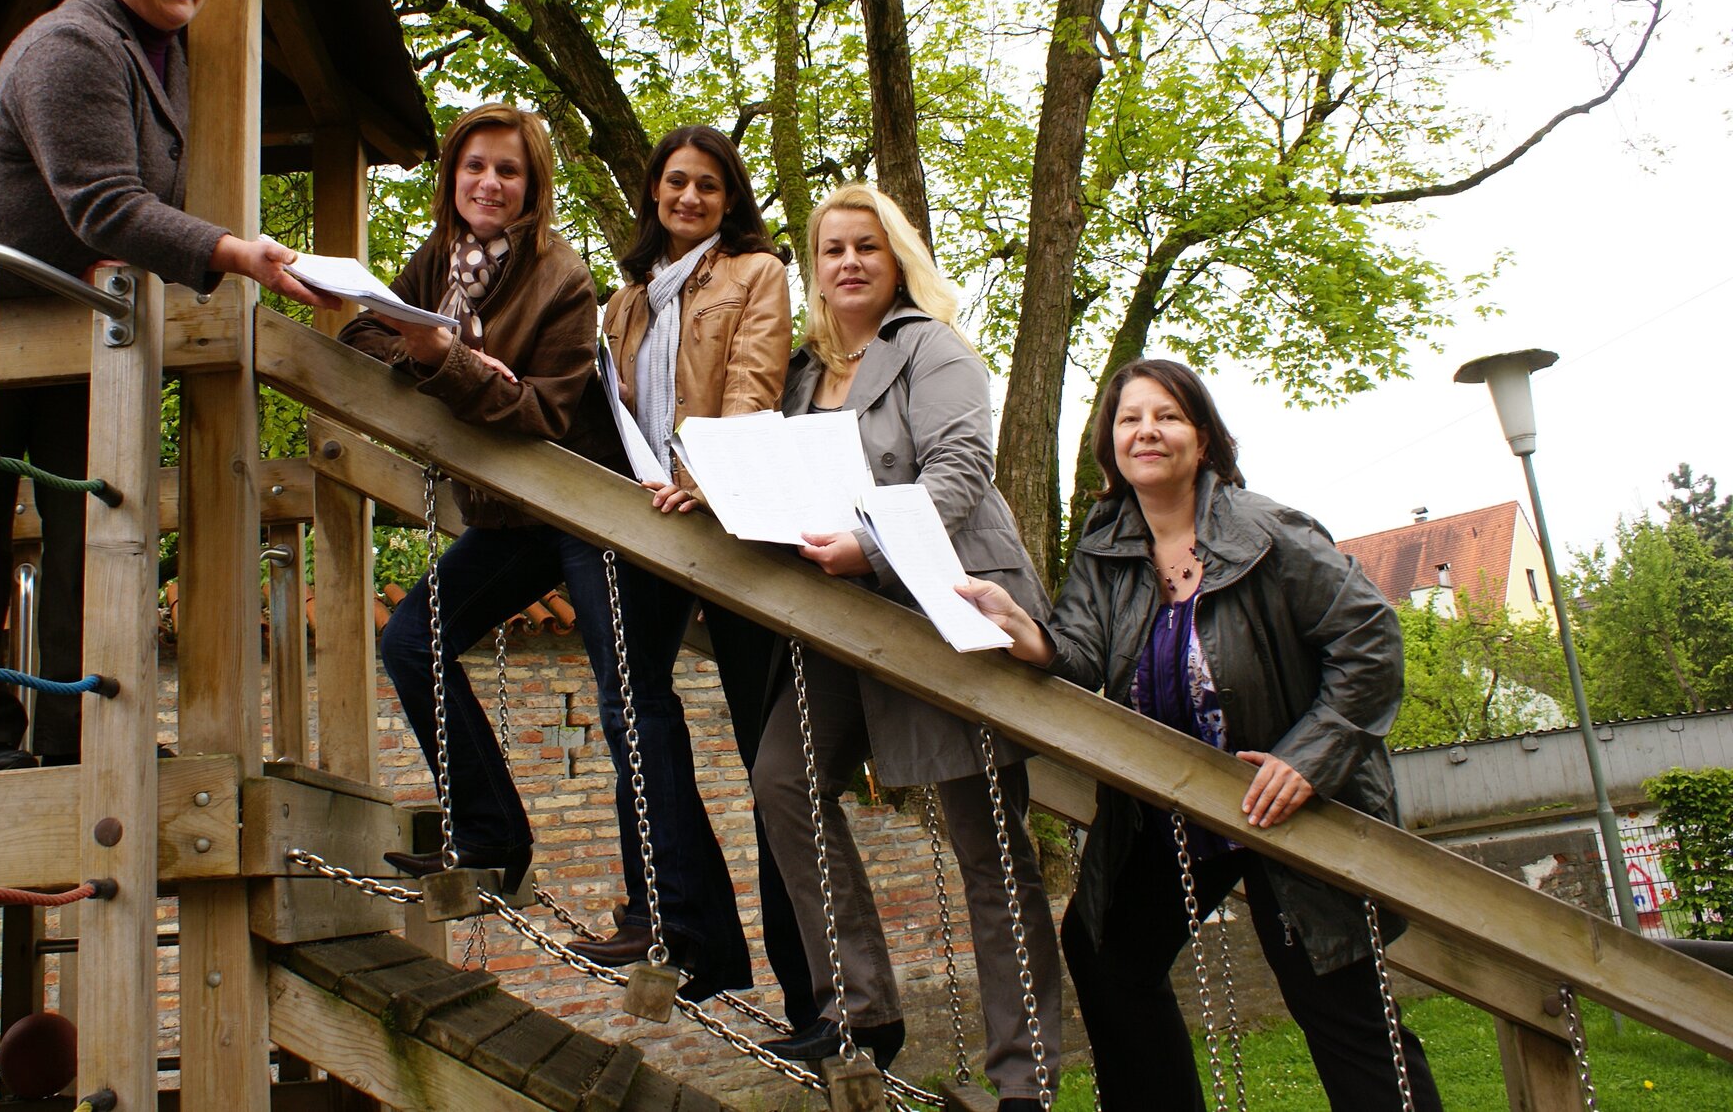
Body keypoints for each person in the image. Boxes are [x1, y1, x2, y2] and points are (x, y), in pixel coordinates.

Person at [0, 0, 334, 773]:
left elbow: (107, 215)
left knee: (86, 521)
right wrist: (232, 253)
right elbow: (103, 203)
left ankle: (77, 727)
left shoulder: (160, 52)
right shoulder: (73, 44)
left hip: (61, 311)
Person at [341, 104, 750, 1000]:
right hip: (510, 517)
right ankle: (490, 830)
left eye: (509, 172)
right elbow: (362, 333)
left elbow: (541, 413)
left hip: (584, 505)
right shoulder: (439, 262)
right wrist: (444, 351)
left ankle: (684, 926)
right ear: (453, 177)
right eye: (475, 166)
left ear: (533, 189)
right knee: (411, 639)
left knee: (629, 703)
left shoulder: (561, 274)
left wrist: (444, 359)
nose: (490, 183)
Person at [961, 359, 1444, 1112]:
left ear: (1205, 438)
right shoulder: (1105, 541)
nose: (1146, 431)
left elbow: (1371, 641)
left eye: (1167, 417)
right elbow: (1084, 652)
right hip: (1177, 805)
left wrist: (1307, 757)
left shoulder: (1266, 532)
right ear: (1109, 443)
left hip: (1286, 803)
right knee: (1106, 955)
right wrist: (1031, 634)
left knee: (1333, 995)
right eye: (1129, 419)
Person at [751, 183, 1060, 1110]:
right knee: (782, 773)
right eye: (832, 248)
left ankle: (1023, 1080)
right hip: (846, 621)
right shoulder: (804, 376)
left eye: (866, 248)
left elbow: (959, 476)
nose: (847, 262)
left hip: (948, 606)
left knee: (987, 851)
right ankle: (862, 1003)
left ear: (897, 263)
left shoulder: (934, 349)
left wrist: (869, 546)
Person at [582, 125, 794, 1012]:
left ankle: (817, 993)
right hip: (647, 520)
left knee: (765, 753)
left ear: (729, 197)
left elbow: (753, 385)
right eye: (676, 183)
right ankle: (681, 920)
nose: (690, 198)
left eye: (708, 185)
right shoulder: (625, 300)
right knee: (628, 697)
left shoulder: (758, 274)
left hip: (728, 519)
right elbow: (610, 402)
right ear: (654, 193)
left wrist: (703, 479)